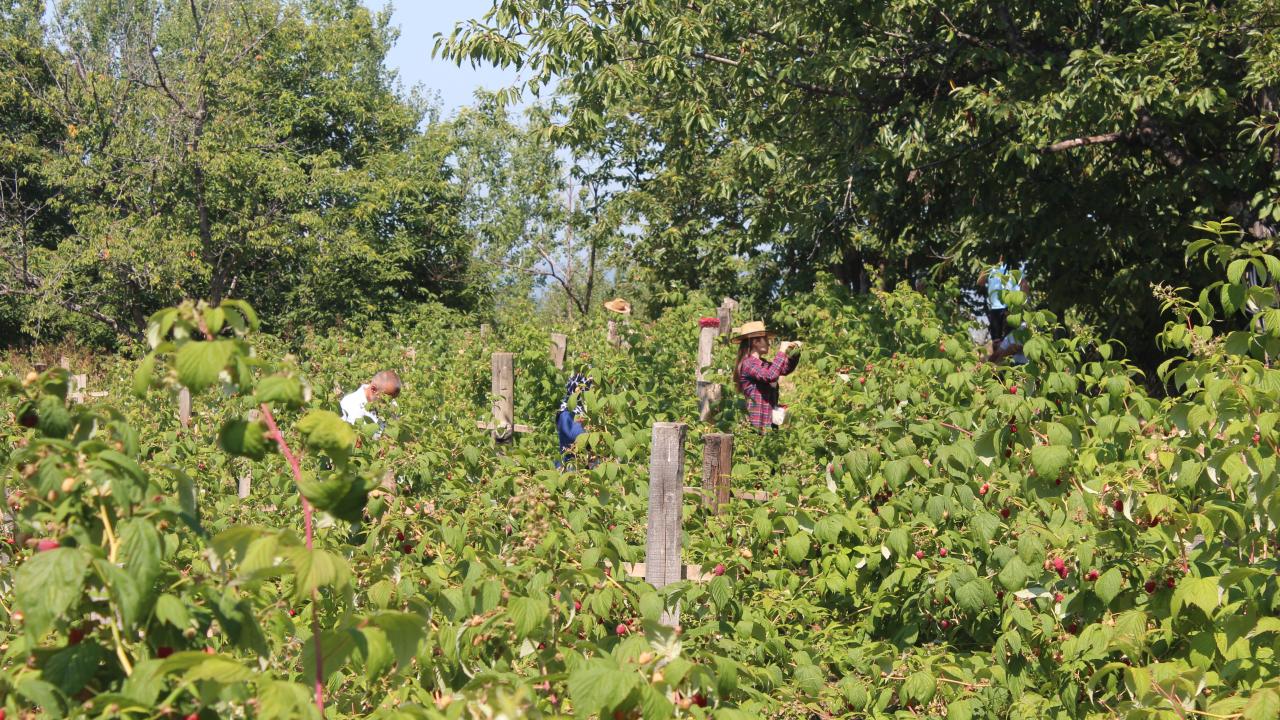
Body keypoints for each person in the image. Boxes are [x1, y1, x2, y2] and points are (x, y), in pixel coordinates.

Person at [732, 321, 801, 433]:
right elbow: (770, 376)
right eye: (766, 340)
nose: (769, 344)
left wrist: (795, 352)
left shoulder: (763, 364)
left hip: (769, 422)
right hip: (755, 424)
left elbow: (784, 369)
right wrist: (781, 350)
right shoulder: (748, 363)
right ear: (755, 341)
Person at [979, 258, 1023, 346]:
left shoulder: (1013, 266)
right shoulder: (991, 268)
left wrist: (1022, 303)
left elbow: (1024, 284)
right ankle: (997, 358)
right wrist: (984, 271)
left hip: (1011, 307)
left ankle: (1009, 358)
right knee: (996, 340)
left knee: (1011, 337)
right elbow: (980, 282)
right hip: (995, 307)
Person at [555, 366, 593, 468]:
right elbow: (579, 436)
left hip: (586, 468)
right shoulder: (567, 413)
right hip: (570, 468)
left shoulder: (587, 413)